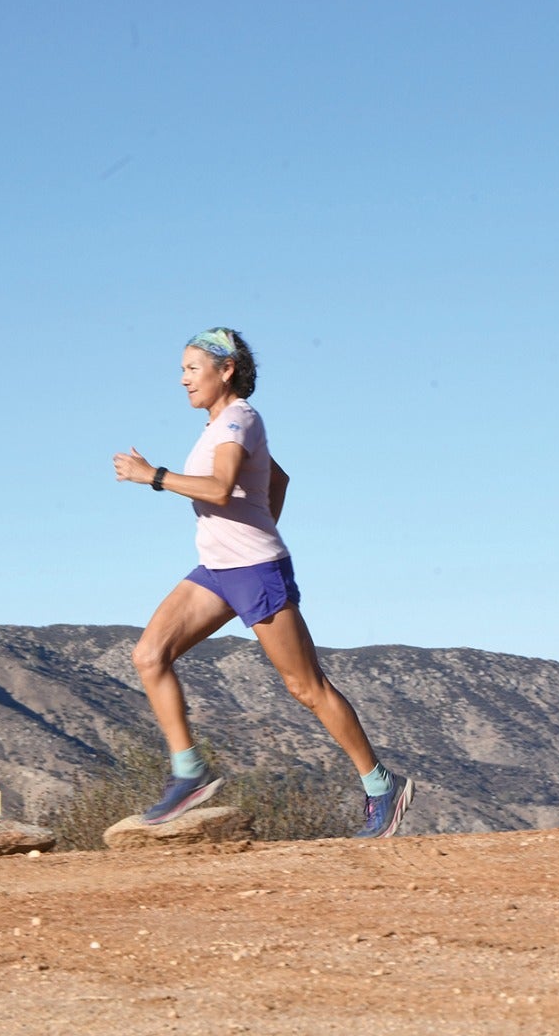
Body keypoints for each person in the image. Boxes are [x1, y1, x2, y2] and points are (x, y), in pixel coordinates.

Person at [112, 328, 415, 837]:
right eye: (182, 369)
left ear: (225, 370)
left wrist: (154, 476)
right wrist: (258, 523)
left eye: (192, 369)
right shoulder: (218, 426)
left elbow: (221, 488)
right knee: (149, 655)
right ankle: (189, 773)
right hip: (217, 571)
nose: (182, 379)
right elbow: (276, 480)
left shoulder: (238, 419)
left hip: (254, 572)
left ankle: (382, 785)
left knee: (306, 687)